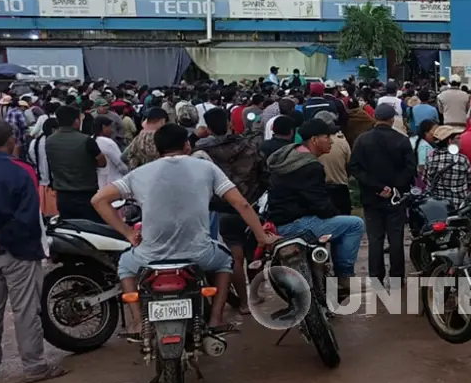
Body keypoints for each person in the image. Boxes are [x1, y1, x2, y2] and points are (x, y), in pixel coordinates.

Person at [92, 123, 276, 336]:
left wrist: (127, 232)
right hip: (199, 254)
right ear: (187, 145)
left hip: (150, 256)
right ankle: (216, 318)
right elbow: (241, 204)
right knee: (226, 263)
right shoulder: (207, 168)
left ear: (158, 149)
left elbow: (98, 200)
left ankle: (138, 322)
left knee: (125, 267)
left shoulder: (139, 174)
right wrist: (261, 236)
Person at [0, 119, 69, 383]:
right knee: (26, 311)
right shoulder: (19, 172)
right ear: (9, 140)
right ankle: (34, 367)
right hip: (18, 252)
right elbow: (28, 218)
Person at [267, 119, 365, 301]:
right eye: (327, 136)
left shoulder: (289, 155)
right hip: (298, 225)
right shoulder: (310, 166)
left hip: (279, 222)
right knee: (354, 224)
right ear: (314, 140)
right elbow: (319, 204)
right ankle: (344, 277)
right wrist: (334, 214)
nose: (331, 141)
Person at [194, 107, 268, 310]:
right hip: (250, 206)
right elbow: (264, 174)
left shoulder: (201, 151)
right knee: (254, 254)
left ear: (208, 128)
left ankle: (243, 302)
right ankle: (254, 295)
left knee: (235, 257)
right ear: (229, 123)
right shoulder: (250, 145)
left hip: (222, 209)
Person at [349, 103, 417, 285]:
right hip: (396, 198)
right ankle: (396, 277)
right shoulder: (402, 140)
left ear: (376, 118)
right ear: (392, 119)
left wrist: (377, 187)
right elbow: (410, 168)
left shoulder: (362, 140)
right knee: (396, 239)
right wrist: (394, 187)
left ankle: (376, 277)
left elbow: (355, 168)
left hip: (372, 198)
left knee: (375, 239)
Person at [45, 105, 107, 221]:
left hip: (62, 196)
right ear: (76, 121)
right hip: (86, 194)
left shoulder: (49, 141)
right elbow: (102, 163)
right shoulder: (86, 140)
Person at [423, 126, 471, 204]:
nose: (460, 141)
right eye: (458, 138)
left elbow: (425, 179)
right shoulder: (462, 159)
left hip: (435, 205)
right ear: (449, 141)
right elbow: (470, 182)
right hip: (458, 206)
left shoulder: (430, 157)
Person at [93, 116, 128, 188]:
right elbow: (121, 164)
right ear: (103, 127)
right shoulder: (108, 142)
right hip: (114, 182)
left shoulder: (91, 140)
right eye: (109, 127)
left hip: (98, 182)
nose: (111, 130)